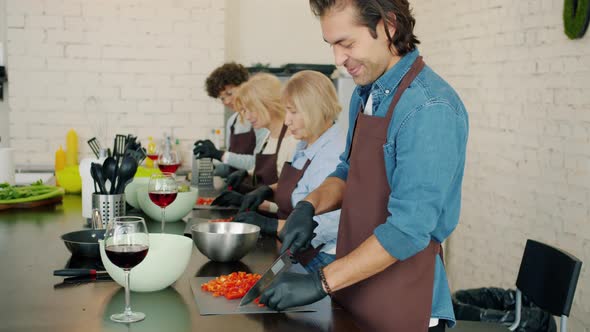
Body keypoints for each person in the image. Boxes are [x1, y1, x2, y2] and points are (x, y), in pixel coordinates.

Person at [257, 1, 469, 332]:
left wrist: (319, 282)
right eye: (332, 46)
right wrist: (309, 206)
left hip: (403, 302)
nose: (338, 59)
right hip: (355, 288)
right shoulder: (365, 95)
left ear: (389, 26)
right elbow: (347, 171)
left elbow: (407, 229)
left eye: (347, 43)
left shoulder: (429, 107)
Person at [233, 70, 345, 273]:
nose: (286, 120)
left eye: (293, 112)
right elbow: (299, 186)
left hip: (320, 255)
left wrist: (268, 225)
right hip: (294, 247)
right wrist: (268, 190)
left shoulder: (334, 153)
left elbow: (324, 226)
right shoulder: (306, 143)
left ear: (315, 110)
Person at [212, 73, 299, 206]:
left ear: (267, 104)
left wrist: (248, 202)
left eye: (250, 110)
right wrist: (246, 174)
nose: (246, 117)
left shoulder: (293, 142)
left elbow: (293, 201)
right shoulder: (266, 137)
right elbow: (263, 174)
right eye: (244, 111)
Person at [193, 62, 268, 177]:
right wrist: (210, 169)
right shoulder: (232, 122)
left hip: (255, 190)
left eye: (229, 93)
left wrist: (219, 154)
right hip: (235, 188)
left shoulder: (259, 119)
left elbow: (257, 163)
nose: (227, 101)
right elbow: (231, 166)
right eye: (222, 98)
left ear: (245, 86)